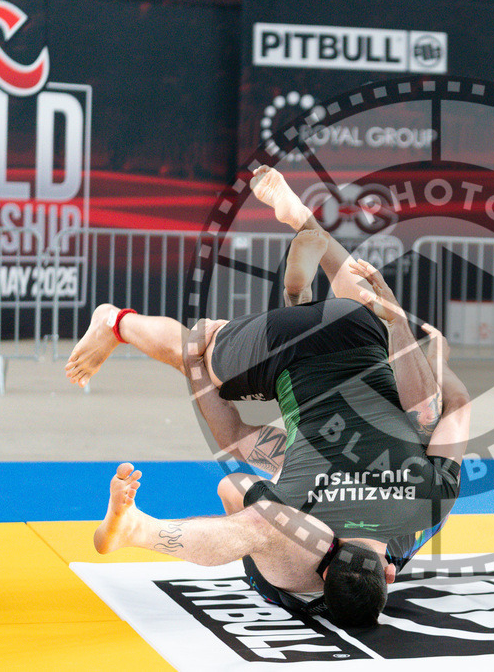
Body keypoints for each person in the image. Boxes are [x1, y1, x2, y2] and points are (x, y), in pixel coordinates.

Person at [65, 167, 471, 628]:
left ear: (391, 572)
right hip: (282, 350)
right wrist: (197, 363)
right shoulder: (294, 507)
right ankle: (115, 321)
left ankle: (304, 232)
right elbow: (234, 458)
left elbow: (456, 407)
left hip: (360, 331)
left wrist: (434, 356)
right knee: (190, 349)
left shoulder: (429, 499)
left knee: (420, 403)